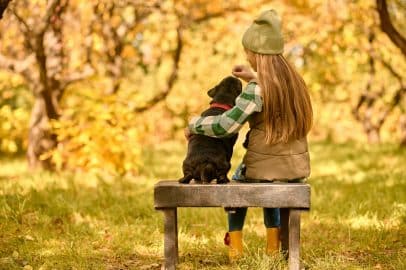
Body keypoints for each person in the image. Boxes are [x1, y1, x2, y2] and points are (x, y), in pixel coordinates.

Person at [185, 9, 313, 260]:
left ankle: (236, 250)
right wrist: (253, 76)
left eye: (248, 51)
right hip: (295, 169)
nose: (246, 55)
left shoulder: (255, 90)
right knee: (271, 186)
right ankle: (273, 249)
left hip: (266, 169)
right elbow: (272, 88)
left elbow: (225, 126)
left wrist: (194, 124)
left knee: (237, 182)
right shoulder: (294, 82)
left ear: (257, 53)